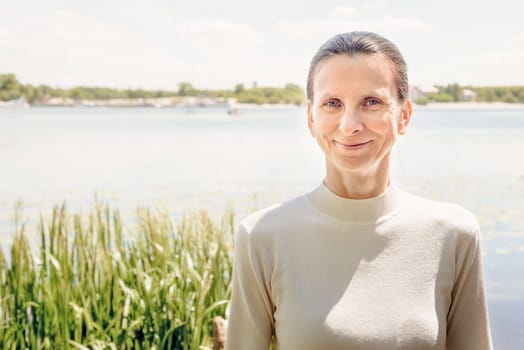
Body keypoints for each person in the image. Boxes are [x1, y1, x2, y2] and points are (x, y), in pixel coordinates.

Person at [226, 31, 492, 350]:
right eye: (332, 103)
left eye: (372, 102)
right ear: (311, 118)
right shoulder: (261, 237)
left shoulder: (454, 234)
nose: (350, 124)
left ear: (404, 116)